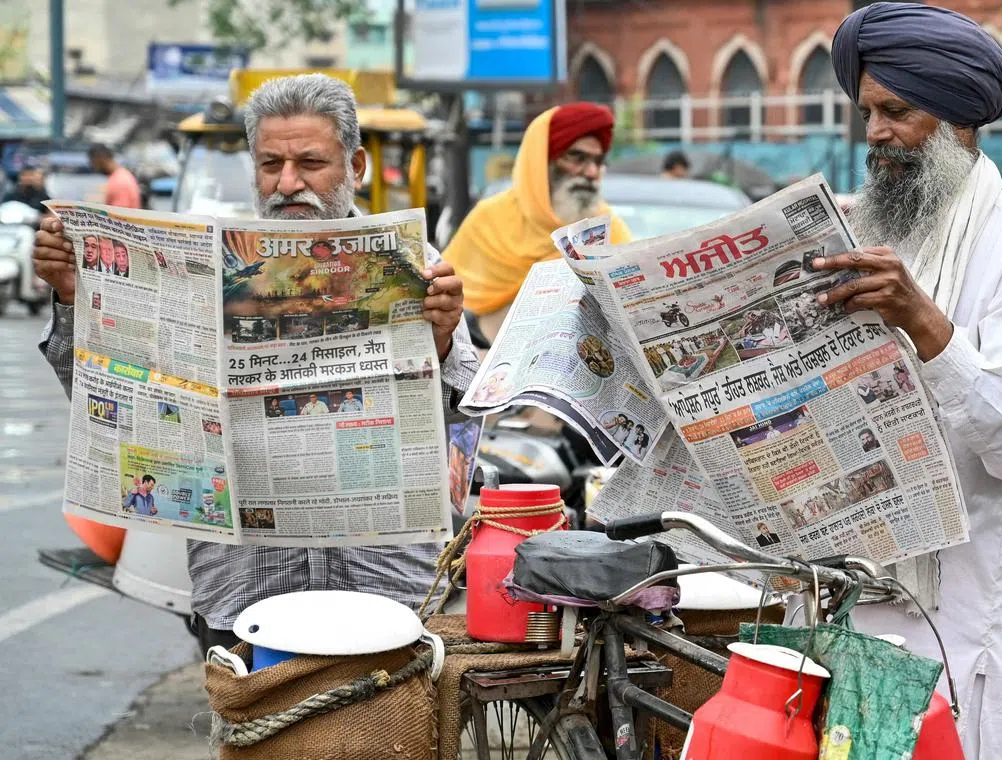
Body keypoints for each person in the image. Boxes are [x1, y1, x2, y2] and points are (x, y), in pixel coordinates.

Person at [33, 73, 478, 658]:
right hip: (244, 591)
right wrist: (72, 297)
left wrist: (442, 343)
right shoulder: (196, 270)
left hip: (385, 585)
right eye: (270, 164)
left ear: (356, 166)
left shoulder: (416, 268)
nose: (288, 183)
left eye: (310, 163)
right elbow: (104, 409)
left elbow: (466, 426)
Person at [823, 5, 1002, 756]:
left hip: (964, 623)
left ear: (961, 119)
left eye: (896, 111)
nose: (874, 132)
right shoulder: (864, 233)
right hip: (861, 601)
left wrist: (923, 323)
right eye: (867, 111)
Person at [444, 102, 633, 339]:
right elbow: (449, 310)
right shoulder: (489, 219)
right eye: (577, 157)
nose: (591, 173)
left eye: (598, 161)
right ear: (542, 162)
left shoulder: (607, 227)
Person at [87, 144, 142, 209]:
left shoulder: (119, 182)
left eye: (92, 162)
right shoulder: (121, 175)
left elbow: (119, 216)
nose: (93, 166)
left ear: (100, 158)